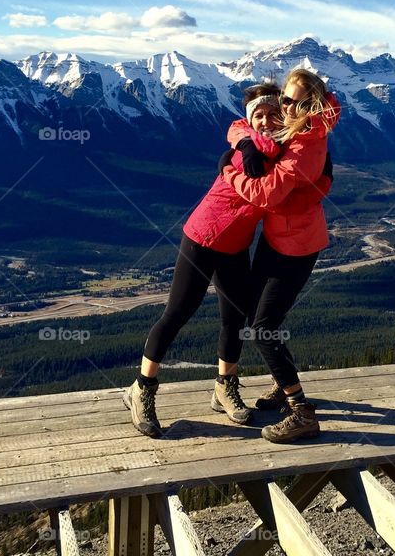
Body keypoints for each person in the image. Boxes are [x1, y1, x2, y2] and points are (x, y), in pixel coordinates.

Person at [124, 83, 331, 438]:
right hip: (203, 237)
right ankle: (141, 388)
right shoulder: (256, 144)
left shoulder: (282, 142)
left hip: (236, 245)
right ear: (250, 120)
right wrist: (240, 148)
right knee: (177, 313)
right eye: (258, 116)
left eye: (272, 113)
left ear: (284, 114)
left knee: (234, 318)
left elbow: (300, 141)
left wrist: (323, 177)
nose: (265, 121)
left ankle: (224, 386)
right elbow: (242, 131)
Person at [221, 68, 340, 443]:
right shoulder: (294, 127)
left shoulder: (306, 144)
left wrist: (228, 172)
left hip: (296, 247)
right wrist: (244, 144)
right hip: (276, 239)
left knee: (263, 328)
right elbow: (241, 124)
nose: (285, 107)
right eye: (284, 99)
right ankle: (283, 382)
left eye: (293, 102)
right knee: (259, 315)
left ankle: (302, 412)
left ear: (311, 105)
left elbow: (267, 193)